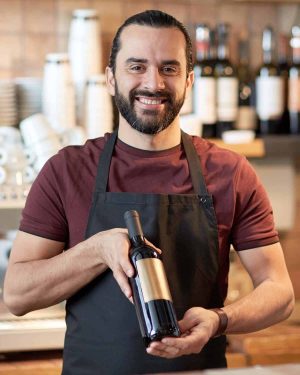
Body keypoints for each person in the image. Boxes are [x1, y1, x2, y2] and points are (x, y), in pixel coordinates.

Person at [4, 9, 294, 374]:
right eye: (136, 66)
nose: (153, 83)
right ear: (111, 78)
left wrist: (219, 320)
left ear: (190, 80)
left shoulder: (230, 173)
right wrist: (95, 251)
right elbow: (16, 295)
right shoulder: (67, 170)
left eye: (169, 68)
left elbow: (280, 292)